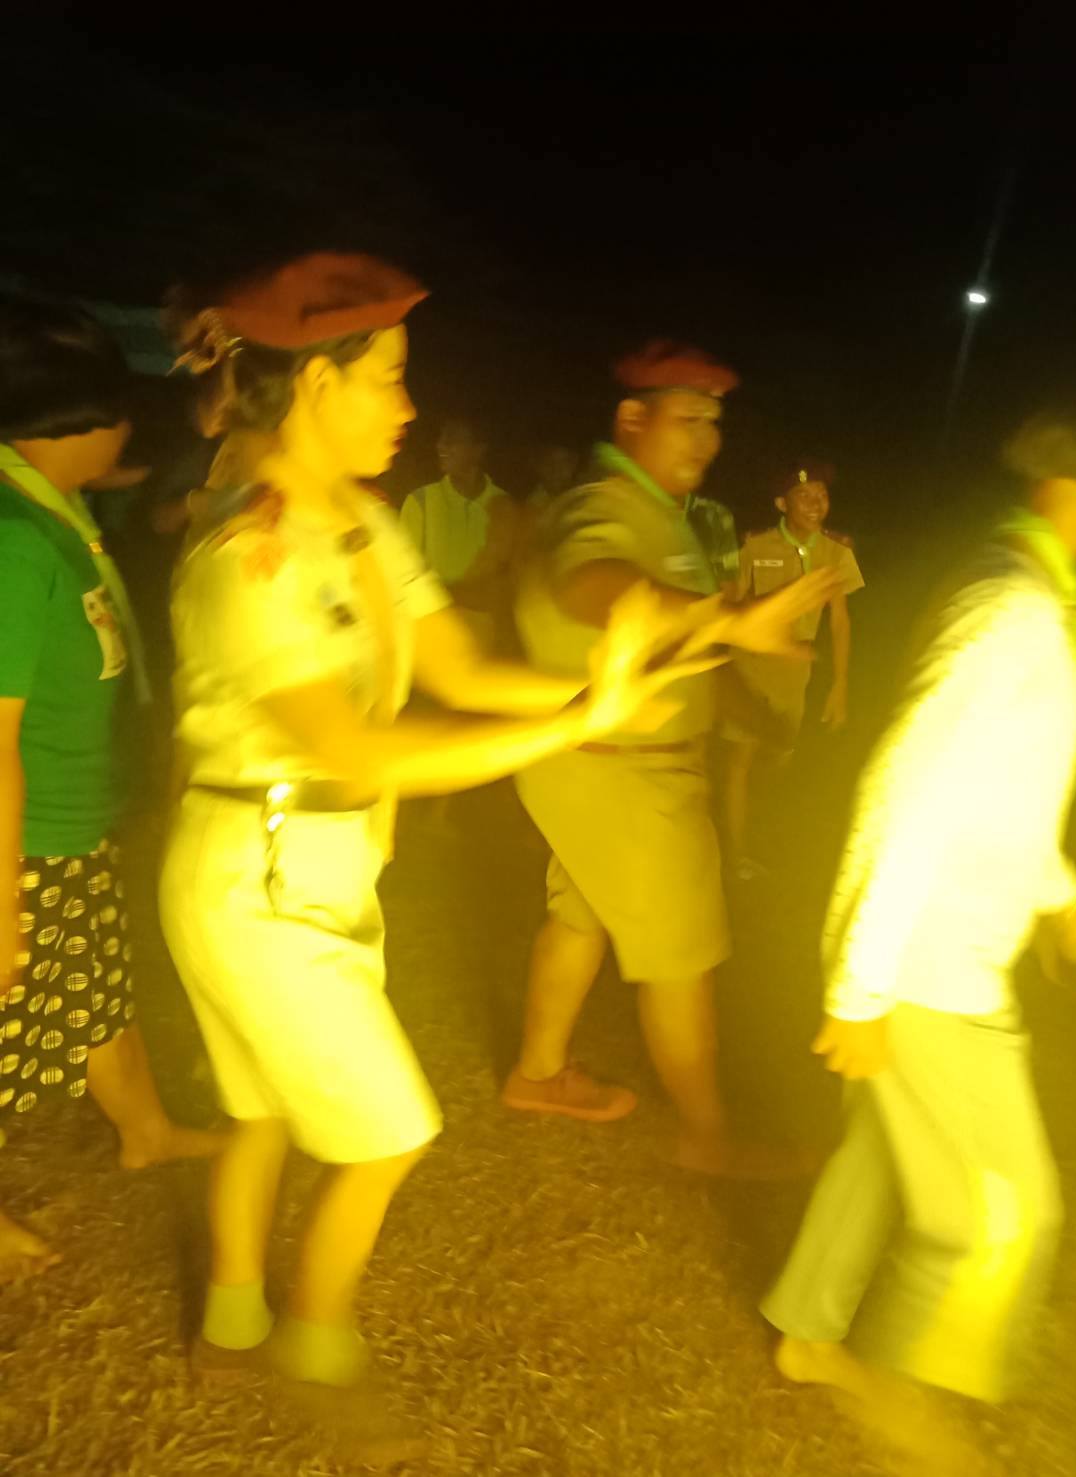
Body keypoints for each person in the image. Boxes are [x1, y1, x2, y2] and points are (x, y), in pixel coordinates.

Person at [157, 255, 715, 1458]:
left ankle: (232, 1323)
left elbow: (455, 665)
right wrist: (577, 723)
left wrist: (602, 685)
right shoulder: (250, 557)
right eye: (390, 378)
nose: (409, 407)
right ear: (317, 386)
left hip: (307, 859)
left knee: (261, 1111)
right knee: (391, 1128)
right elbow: (359, 742)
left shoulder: (357, 524)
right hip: (257, 867)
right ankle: (315, 1347)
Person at [760, 389, 1076, 1471]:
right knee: (1004, 1214)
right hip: (923, 966)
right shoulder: (1010, 613)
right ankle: (905, 1406)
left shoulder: (1034, 600)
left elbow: (998, 795)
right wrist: (862, 991)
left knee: (882, 1151)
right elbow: (908, 787)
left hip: (935, 948)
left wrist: (1059, 898)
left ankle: (807, 1331)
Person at [506, 342, 838, 1177]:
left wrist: (737, 698)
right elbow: (591, 582)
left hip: (604, 759)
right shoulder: (605, 506)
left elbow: (675, 628)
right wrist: (726, 622)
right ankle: (706, 1137)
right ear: (632, 418)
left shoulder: (664, 514)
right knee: (685, 956)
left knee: (581, 912)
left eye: (714, 422)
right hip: (627, 766)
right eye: (689, 418)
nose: (706, 439)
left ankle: (538, 1072)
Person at [0, 295, 222, 1282]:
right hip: (27, 834)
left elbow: (155, 459)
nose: (131, 433)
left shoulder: (55, 504)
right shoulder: (12, 539)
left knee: (98, 989)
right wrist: (3, 895)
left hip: (72, 820)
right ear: (73, 417)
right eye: (121, 413)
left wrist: (215, 401)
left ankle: (146, 1129)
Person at [721, 462, 863, 871]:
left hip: (794, 673)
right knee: (739, 761)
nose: (816, 503)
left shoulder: (837, 551)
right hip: (750, 665)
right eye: (804, 496)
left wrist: (840, 685)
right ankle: (736, 854)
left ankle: (760, 826)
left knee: (780, 754)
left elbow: (839, 620)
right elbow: (729, 603)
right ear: (782, 504)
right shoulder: (754, 546)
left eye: (822, 495)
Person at [400, 416, 516, 645]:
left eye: (452, 439)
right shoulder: (420, 502)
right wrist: (465, 595)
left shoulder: (503, 504)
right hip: (433, 634)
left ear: (478, 450)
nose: (440, 446)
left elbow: (507, 579)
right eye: (441, 439)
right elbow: (403, 580)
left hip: (487, 638)